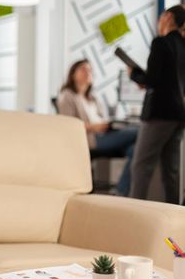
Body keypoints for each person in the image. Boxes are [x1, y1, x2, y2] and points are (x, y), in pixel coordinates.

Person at [128, 5, 185, 204]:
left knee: (141, 165)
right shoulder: (183, 45)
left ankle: (133, 214)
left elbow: (151, 79)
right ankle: (176, 217)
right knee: (171, 170)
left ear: (168, 17)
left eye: (161, 16)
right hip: (179, 114)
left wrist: (134, 73)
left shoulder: (161, 43)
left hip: (159, 113)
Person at [58, 59, 137, 196]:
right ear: (73, 74)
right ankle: (122, 192)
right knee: (140, 131)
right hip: (90, 139)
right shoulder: (67, 96)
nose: (88, 72)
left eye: (90, 70)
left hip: (104, 134)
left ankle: (122, 192)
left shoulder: (93, 99)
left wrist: (106, 125)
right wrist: (95, 127)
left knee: (136, 149)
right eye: (83, 69)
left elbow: (102, 118)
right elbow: (68, 125)